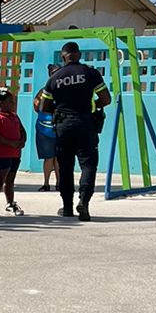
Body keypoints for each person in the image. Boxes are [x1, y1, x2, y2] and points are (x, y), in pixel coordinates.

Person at [37, 42, 110, 220]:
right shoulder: (91, 73)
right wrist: (91, 106)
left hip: (63, 127)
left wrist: (60, 107)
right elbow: (106, 99)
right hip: (86, 124)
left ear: (63, 56)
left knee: (66, 167)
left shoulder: (55, 78)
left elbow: (43, 106)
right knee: (88, 165)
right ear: (78, 54)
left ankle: (67, 207)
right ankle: (83, 202)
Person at [0, 88, 26, 217]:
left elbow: (22, 129)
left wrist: (22, 140)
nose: (12, 104)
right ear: (1, 103)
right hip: (1, 154)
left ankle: (10, 204)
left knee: (10, 180)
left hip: (15, 154)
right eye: (9, 102)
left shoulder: (14, 116)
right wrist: (10, 143)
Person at [33, 82, 58, 192]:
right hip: (54, 127)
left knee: (49, 158)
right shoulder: (62, 90)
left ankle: (47, 184)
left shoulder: (43, 91)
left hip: (45, 128)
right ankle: (58, 184)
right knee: (56, 158)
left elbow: (36, 106)